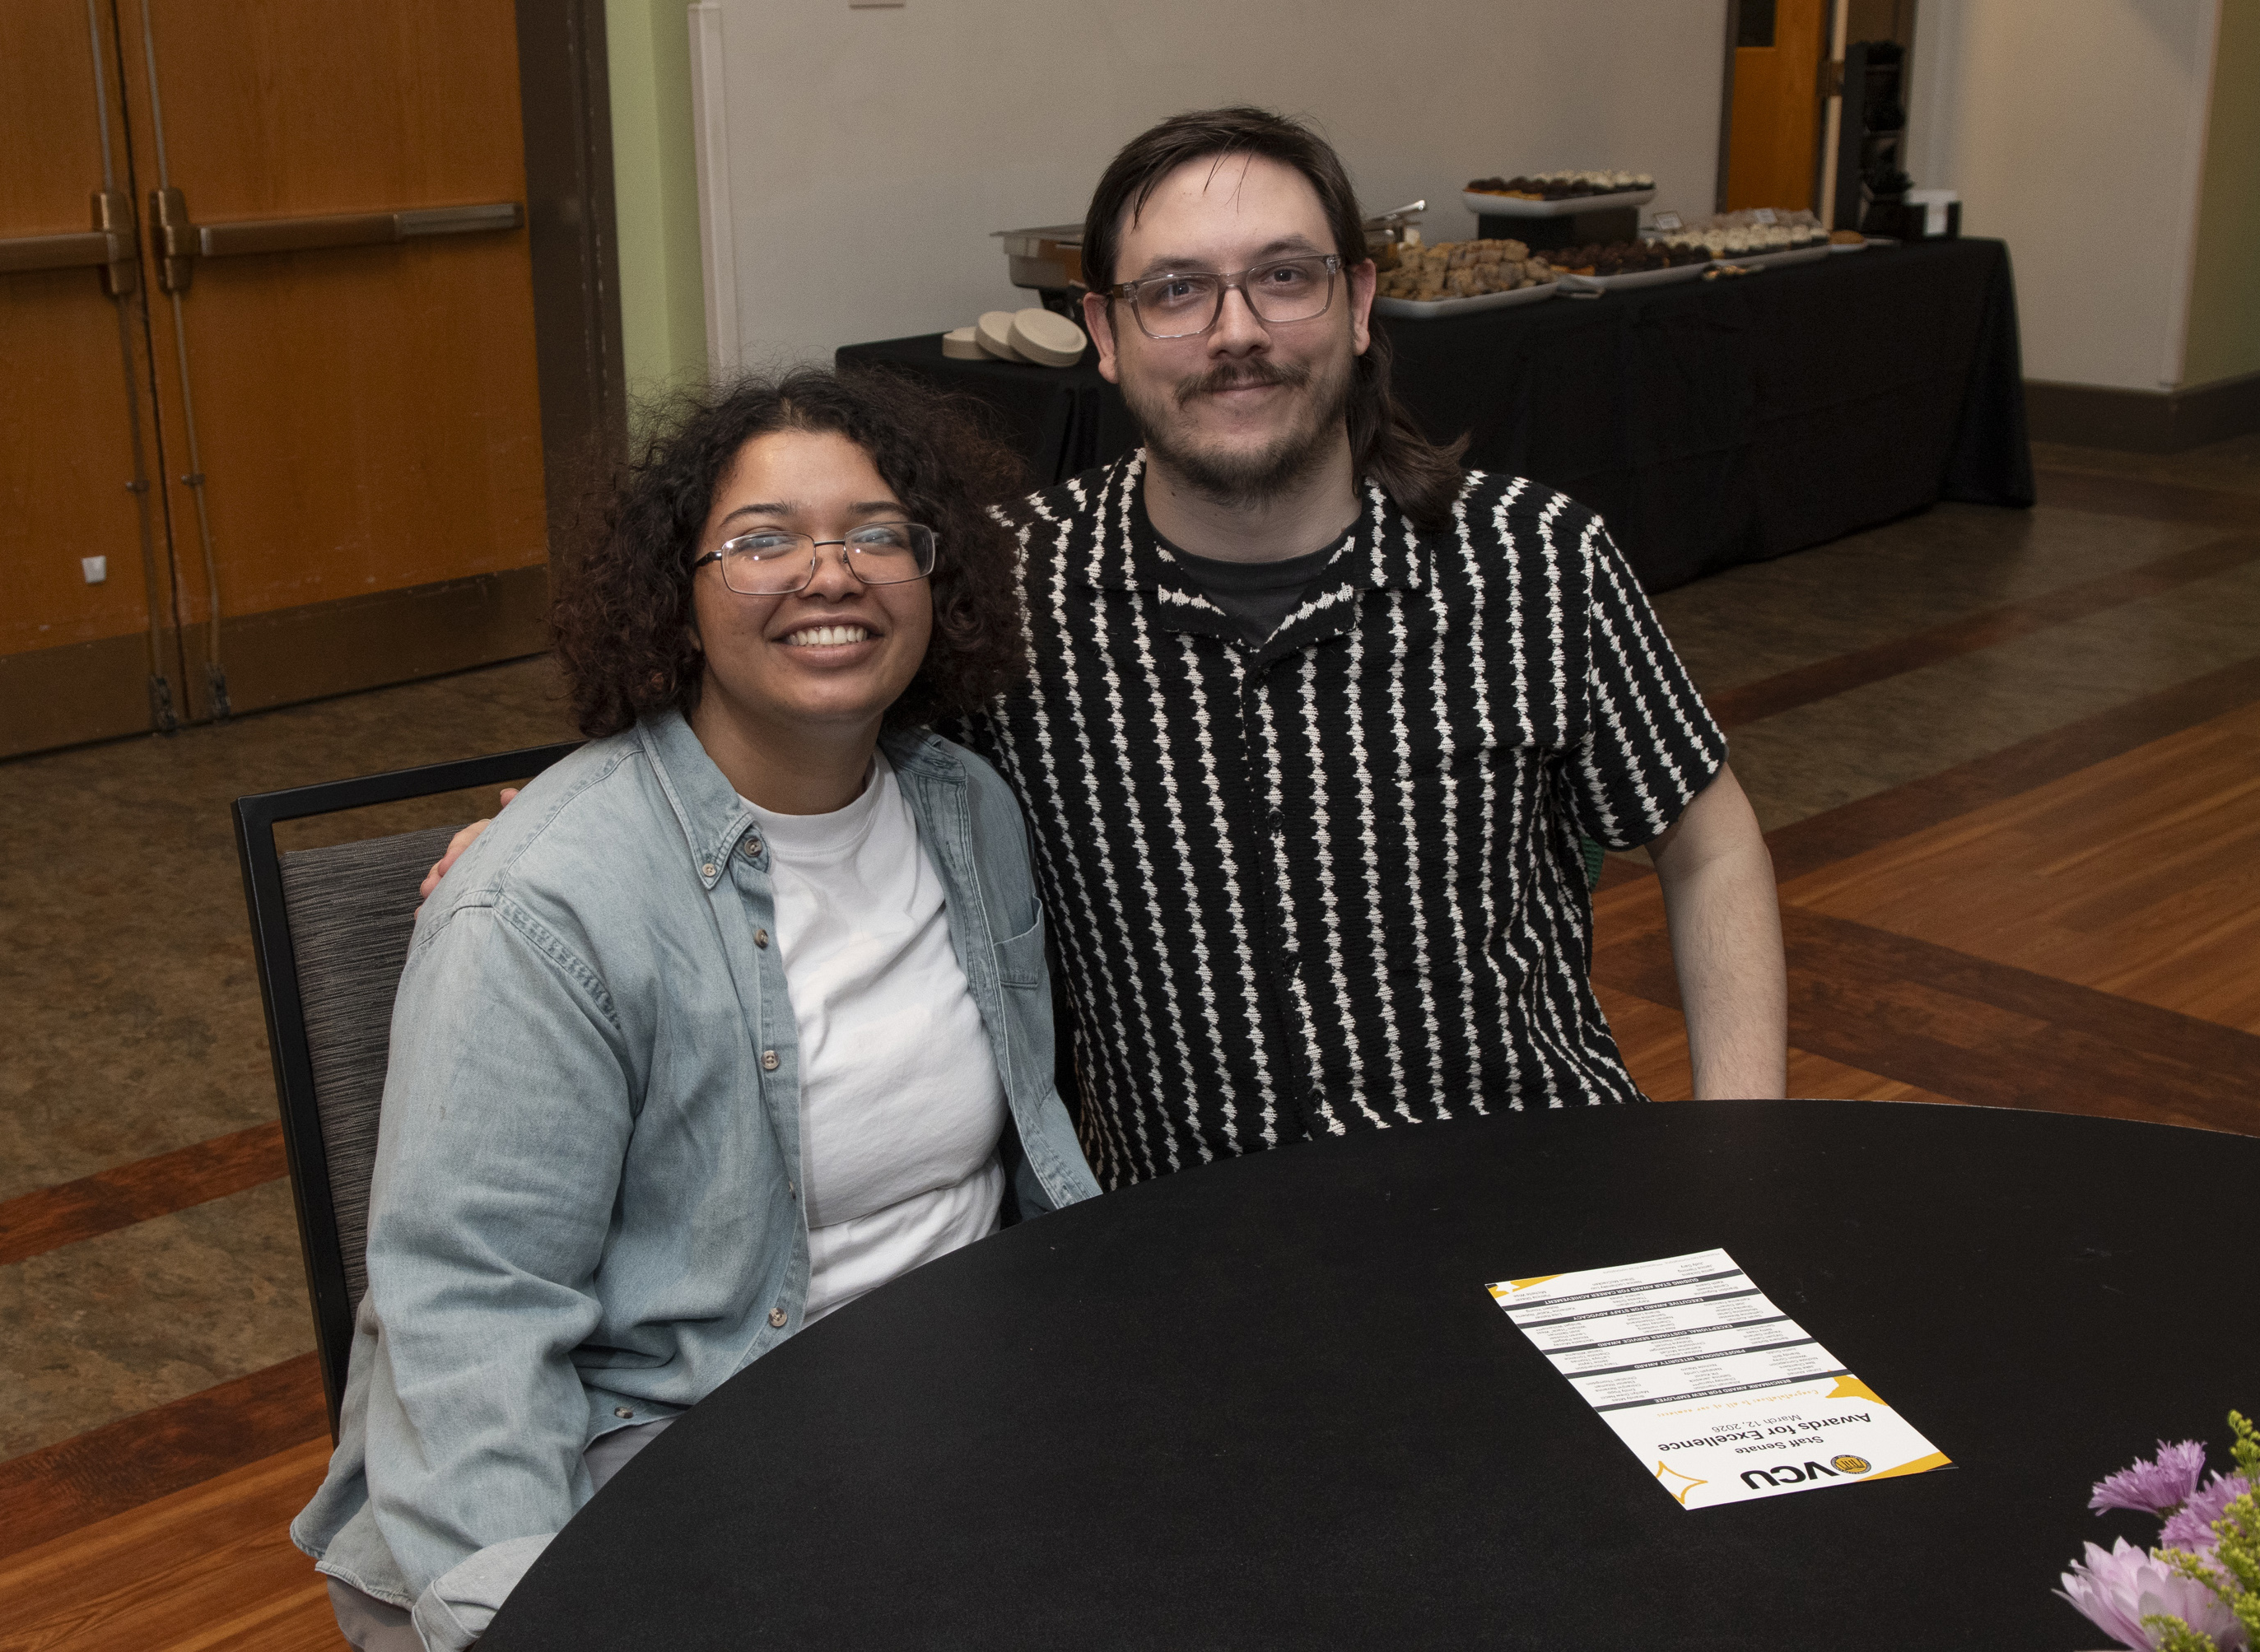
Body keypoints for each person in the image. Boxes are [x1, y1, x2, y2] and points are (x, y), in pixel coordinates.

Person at [431, 107, 1787, 1191]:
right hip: (1170, 1267)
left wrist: (1737, 1158)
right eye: (1176, 292)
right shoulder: (1002, 585)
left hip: (1533, 1197)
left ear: (1360, 303)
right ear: (1101, 334)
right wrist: (575, 823)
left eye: (1285, 278)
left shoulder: (1530, 560)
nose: (1236, 331)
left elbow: (1707, 837)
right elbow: (790, 712)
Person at [301, 369, 1097, 1651]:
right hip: (674, 1458)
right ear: (676, 590)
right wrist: (538, 1613)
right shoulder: (544, 910)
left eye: (876, 533)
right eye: (763, 540)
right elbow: (466, 1316)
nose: (829, 574)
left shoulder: (966, 810)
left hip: (962, 1428)